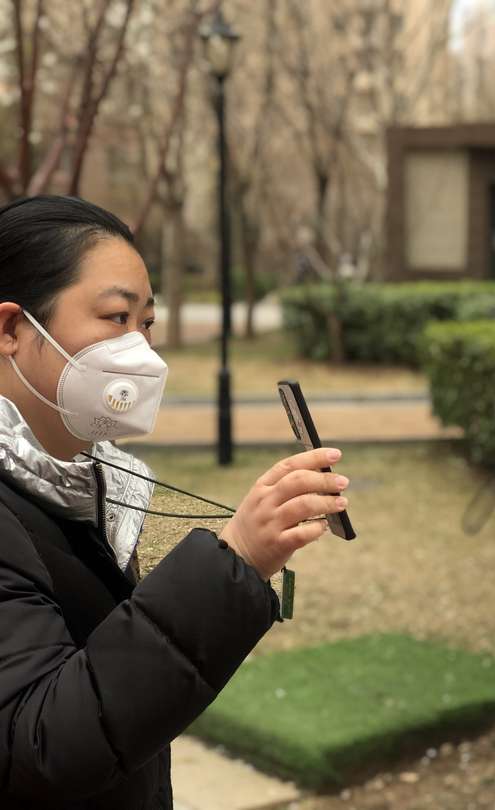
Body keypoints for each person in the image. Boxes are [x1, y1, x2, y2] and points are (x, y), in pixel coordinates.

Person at [0, 196, 350, 809]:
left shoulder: (87, 485)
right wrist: (233, 559)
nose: (140, 350)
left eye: (147, 323)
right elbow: (42, 745)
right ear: (10, 329)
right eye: (116, 317)